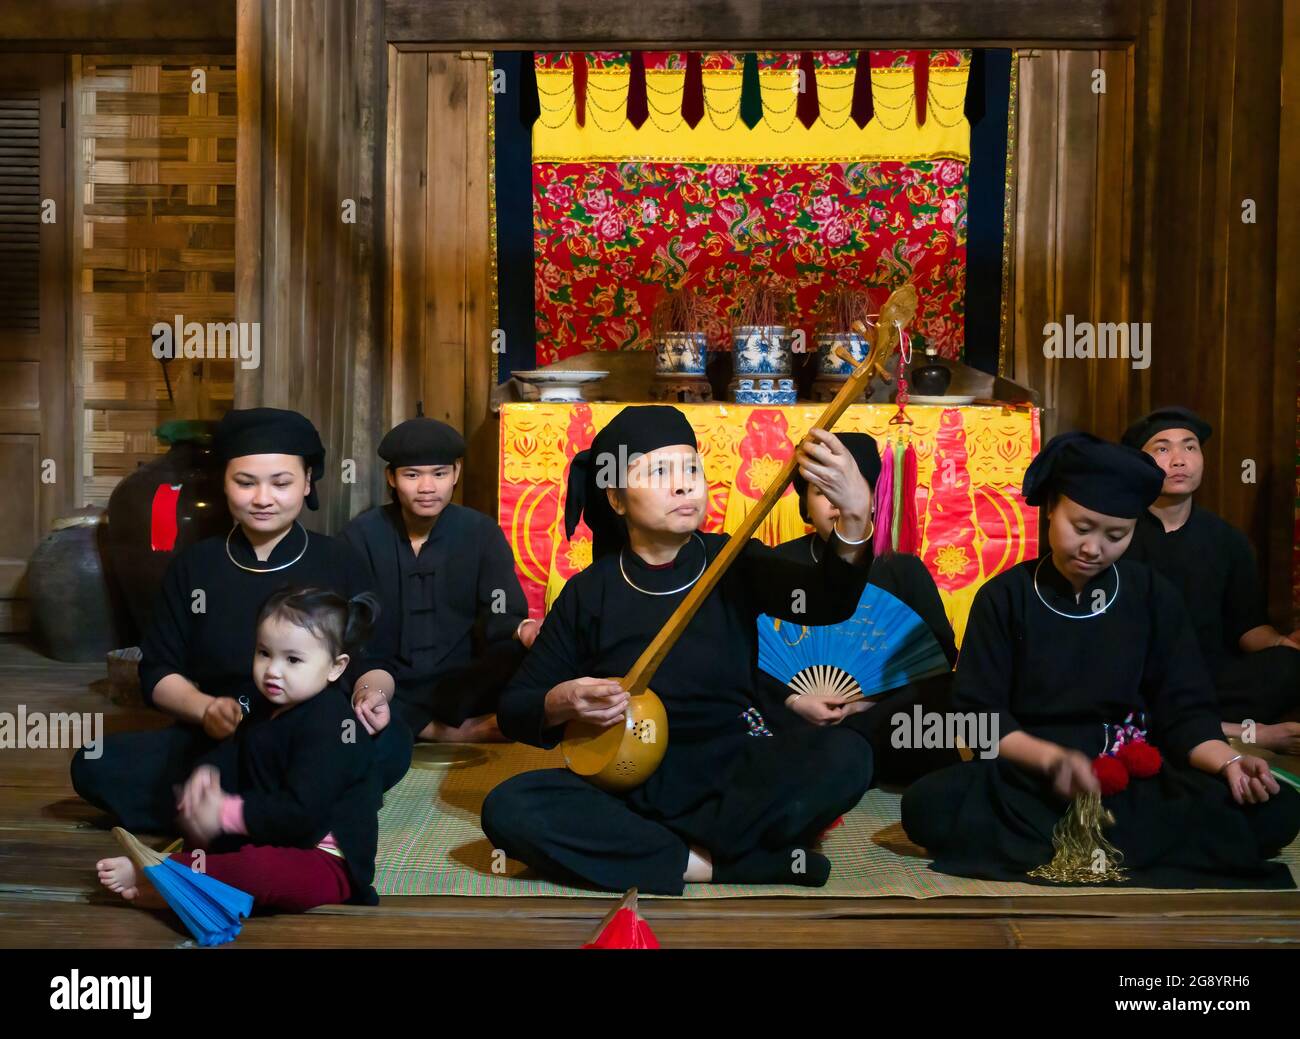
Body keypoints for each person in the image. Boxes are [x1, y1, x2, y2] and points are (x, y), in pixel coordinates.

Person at [480, 405, 875, 895]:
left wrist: (856, 519)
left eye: (692, 469)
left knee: (848, 755)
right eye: (660, 472)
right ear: (616, 499)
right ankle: (727, 864)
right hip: (632, 780)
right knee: (509, 807)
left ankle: (658, 854)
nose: (685, 485)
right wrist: (561, 701)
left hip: (735, 766)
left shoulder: (733, 559)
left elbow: (826, 601)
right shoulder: (590, 592)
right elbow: (516, 708)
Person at [901, 432, 1300, 889]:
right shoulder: (1004, 598)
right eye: (1082, 527)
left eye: (1116, 535)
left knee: (1278, 811)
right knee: (927, 807)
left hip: (1130, 771)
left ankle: (1081, 842)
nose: (1094, 548)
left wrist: (1229, 763)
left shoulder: (1152, 595)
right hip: (1031, 778)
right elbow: (976, 717)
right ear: (1051, 508)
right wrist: (1052, 760)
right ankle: (1120, 845)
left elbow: (1185, 712)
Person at [71, 407, 411, 833]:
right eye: (245, 482)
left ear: (307, 482)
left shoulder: (339, 560)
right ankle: (298, 809)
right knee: (94, 764)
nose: (262, 498)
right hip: (221, 739)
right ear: (224, 482)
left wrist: (370, 695)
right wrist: (206, 709)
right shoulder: (196, 566)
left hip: (314, 736)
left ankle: (236, 812)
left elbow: (373, 659)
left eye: (281, 483)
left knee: (391, 738)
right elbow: (158, 672)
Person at [98, 588, 384, 913]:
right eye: (264, 653)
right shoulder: (262, 704)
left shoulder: (330, 725)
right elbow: (234, 750)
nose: (273, 670)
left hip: (322, 855)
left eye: (292, 659)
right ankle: (184, 882)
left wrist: (226, 812)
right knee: (211, 840)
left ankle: (162, 875)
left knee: (259, 870)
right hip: (271, 831)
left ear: (335, 667)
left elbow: (301, 814)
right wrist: (209, 777)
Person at [751, 432, 959, 784]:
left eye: (847, 489)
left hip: (878, 714)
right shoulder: (779, 563)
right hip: (795, 714)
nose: (835, 503)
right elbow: (749, 652)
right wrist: (792, 700)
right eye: (821, 492)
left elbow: (937, 658)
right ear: (805, 504)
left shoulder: (902, 568)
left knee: (939, 696)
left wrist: (865, 702)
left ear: (873, 499)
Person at [341, 416, 536, 744]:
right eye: (412, 475)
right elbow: (351, 627)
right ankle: (446, 731)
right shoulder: (360, 536)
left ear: (456, 473)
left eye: (439, 474)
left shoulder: (481, 533)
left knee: (524, 661)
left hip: (462, 682)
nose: (427, 487)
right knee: (332, 674)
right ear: (391, 477)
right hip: (386, 678)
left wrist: (522, 629)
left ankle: (423, 727)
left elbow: (500, 617)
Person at [1121, 406, 1300, 752]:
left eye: (1190, 447)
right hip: (1140, 673)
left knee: (1288, 667)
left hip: (1208, 677)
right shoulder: (1118, 531)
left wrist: (1282, 644)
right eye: (1162, 448)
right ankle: (1241, 731)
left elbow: (1248, 628)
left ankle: (1190, 725)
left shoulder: (1227, 540)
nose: (1179, 459)